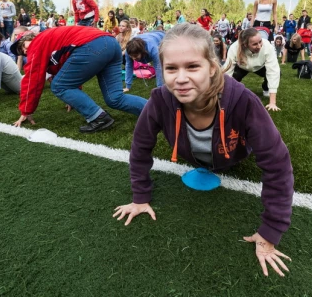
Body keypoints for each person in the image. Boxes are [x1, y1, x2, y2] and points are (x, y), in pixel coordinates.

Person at [112, 23, 294, 277]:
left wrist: (270, 232)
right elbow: (140, 149)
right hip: (191, 156)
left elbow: (278, 166)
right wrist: (140, 197)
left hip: (233, 156)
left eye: (192, 66)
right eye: (171, 68)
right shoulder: (159, 100)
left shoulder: (244, 101)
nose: (181, 78)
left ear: (212, 66)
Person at [12, 26, 147, 133]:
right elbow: (67, 68)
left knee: (58, 86)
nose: (24, 53)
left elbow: (32, 80)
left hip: (93, 45)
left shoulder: (37, 43)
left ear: (28, 38)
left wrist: (26, 110)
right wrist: (73, 97)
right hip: (111, 44)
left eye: (22, 47)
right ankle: (157, 110)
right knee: (114, 98)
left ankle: (99, 118)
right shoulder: (50, 39)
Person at [222, 28, 281, 110]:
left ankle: (266, 88)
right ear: (245, 45)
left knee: (278, 73)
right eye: (255, 44)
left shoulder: (267, 46)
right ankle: (234, 90)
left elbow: (273, 71)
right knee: (235, 76)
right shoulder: (234, 48)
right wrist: (224, 94)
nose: (259, 46)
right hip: (242, 67)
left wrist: (272, 102)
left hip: (260, 67)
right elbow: (227, 71)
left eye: (260, 41)